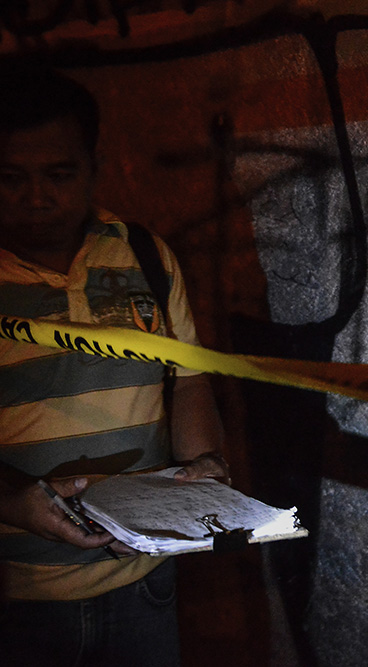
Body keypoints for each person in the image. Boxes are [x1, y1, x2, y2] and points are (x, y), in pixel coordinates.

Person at [0, 66, 228, 666]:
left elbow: (188, 380)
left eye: (59, 174)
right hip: (17, 595)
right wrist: (11, 502)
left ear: (94, 166)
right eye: (11, 179)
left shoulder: (147, 256)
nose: (38, 197)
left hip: (143, 584)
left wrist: (205, 463)